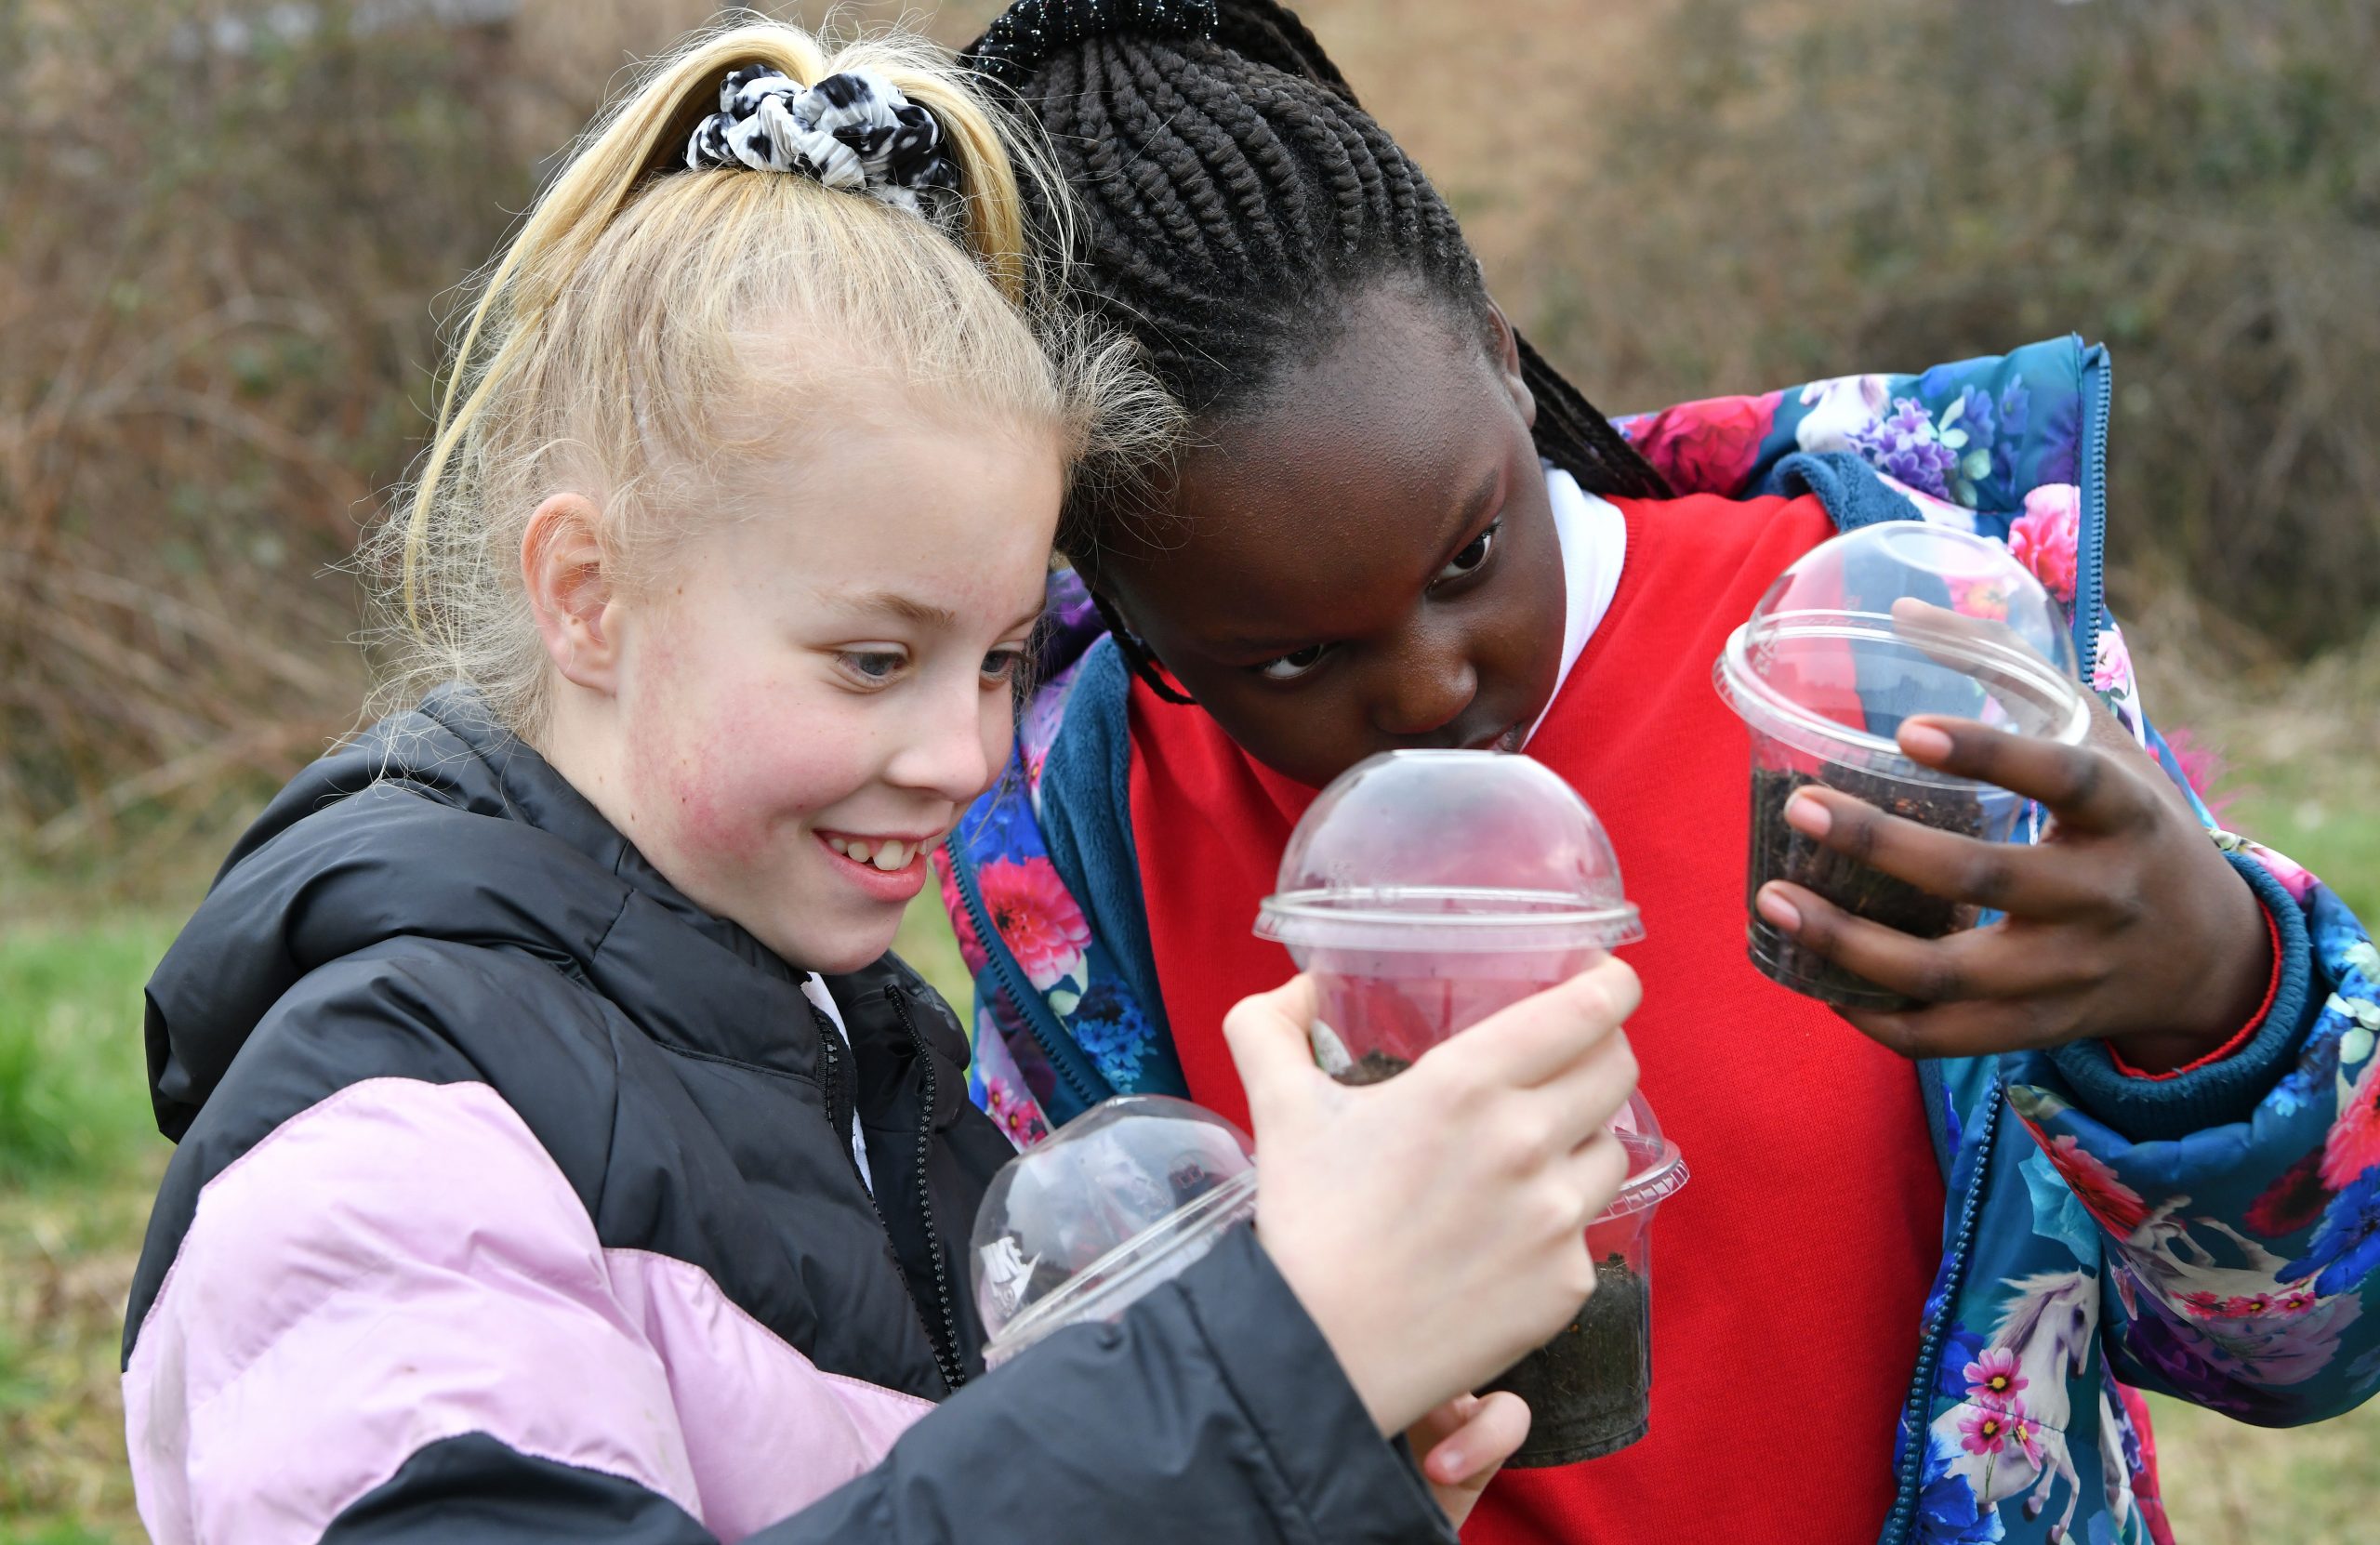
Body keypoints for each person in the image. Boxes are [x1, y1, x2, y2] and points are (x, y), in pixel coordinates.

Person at [118, 19, 1648, 1543]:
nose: (963, 757)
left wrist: (1297, 1477)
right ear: (586, 591)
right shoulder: (386, 1151)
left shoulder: (869, 1064)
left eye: (994, 660)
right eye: (870, 660)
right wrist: (1269, 1372)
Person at [936, 3, 2380, 1541]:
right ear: (1119, 607)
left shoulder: (1890, 648)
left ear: (1502, 362)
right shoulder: (1075, 851)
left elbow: (2303, 1350)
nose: (1430, 686)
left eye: (1470, 552)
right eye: (1288, 661)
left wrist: (2218, 999)